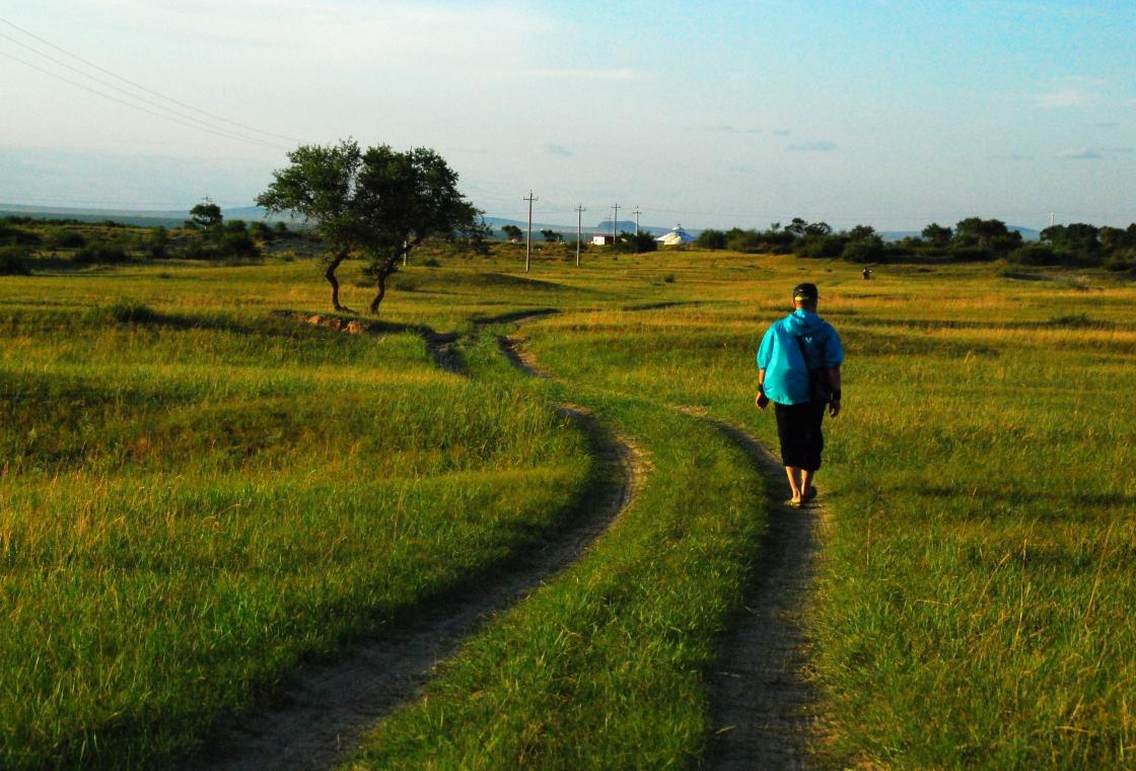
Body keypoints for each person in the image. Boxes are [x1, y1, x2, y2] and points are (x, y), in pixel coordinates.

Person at [755, 283, 844, 506]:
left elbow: (764, 363)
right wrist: (836, 396)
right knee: (811, 438)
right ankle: (806, 488)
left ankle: (794, 493)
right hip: (814, 393)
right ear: (816, 301)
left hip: (785, 391)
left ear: (794, 302)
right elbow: (833, 367)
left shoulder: (777, 328)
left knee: (788, 438)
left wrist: (761, 390)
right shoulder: (825, 330)